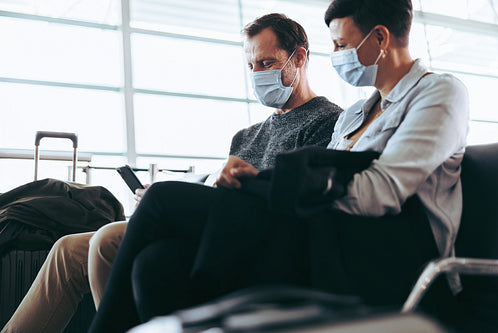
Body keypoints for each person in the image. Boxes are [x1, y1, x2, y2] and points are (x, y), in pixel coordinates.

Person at [87, 0, 469, 332]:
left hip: (379, 254)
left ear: (381, 39)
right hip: (321, 235)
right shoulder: (357, 112)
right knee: (157, 265)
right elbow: (323, 179)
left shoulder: (439, 93)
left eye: (341, 44)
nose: (336, 54)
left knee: (161, 198)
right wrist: (271, 181)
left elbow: (380, 194)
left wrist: (278, 182)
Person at [0, 14, 341, 333]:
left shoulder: (326, 121)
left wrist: (251, 179)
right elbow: (220, 194)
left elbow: (302, 196)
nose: (257, 73)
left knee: (106, 241)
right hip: (214, 221)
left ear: (298, 58)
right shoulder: (246, 135)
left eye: (266, 63)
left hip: (249, 233)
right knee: (67, 248)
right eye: (251, 65)